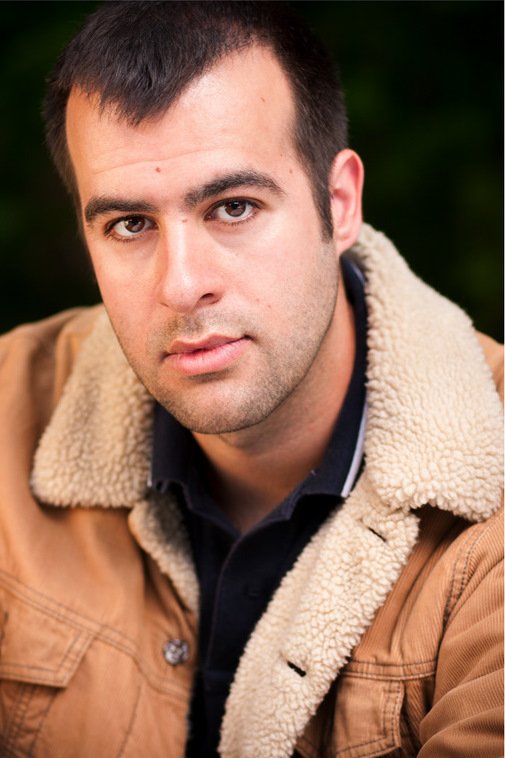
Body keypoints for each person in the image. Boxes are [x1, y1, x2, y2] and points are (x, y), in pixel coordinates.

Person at [0, 2, 502, 756]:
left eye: (233, 207)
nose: (181, 286)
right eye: (130, 224)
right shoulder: (8, 408)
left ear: (339, 204)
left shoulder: (489, 496)